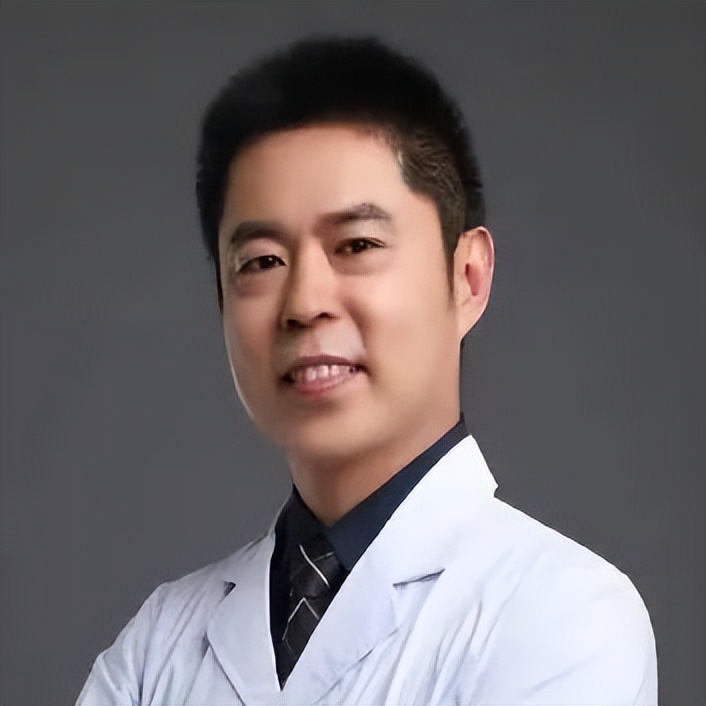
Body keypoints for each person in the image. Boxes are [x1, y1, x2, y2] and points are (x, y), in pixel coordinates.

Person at [77, 36, 657, 705]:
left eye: (356, 245)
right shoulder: (159, 643)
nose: (304, 303)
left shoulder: (564, 615)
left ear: (466, 278)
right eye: (262, 261)